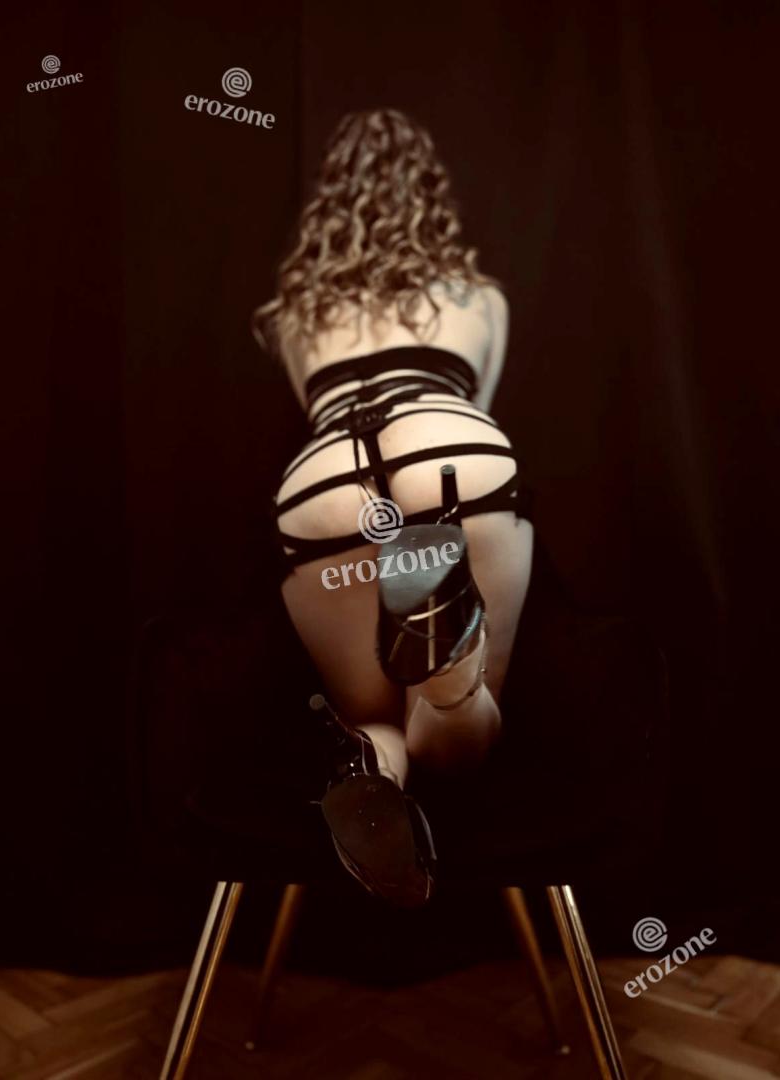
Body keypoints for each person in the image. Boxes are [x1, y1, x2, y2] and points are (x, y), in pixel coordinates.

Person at [253, 108, 534, 906]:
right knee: (457, 713)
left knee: (371, 718)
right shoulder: (481, 299)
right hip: (446, 443)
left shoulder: (294, 313)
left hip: (326, 476)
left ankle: (366, 769)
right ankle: (447, 664)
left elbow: (313, 410)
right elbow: (477, 403)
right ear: (432, 192)